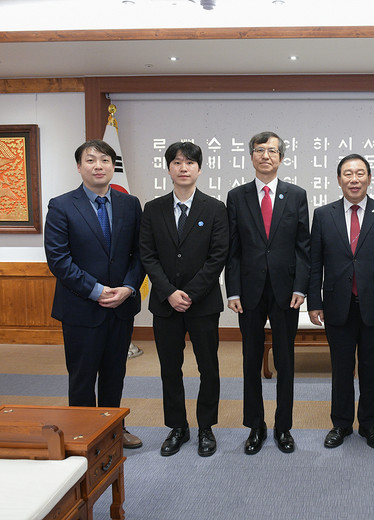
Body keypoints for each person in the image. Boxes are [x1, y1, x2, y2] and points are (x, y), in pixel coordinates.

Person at [44, 139, 145, 449]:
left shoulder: (130, 204)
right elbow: (58, 259)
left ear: (113, 166)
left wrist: (128, 288)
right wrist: (96, 290)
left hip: (121, 306)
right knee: (82, 377)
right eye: (90, 160)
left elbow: (141, 254)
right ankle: (83, 435)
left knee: (115, 375)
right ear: (79, 167)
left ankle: (114, 429)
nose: (98, 166)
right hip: (80, 308)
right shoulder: (61, 205)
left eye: (104, 160)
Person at [308, 154, 374, 450]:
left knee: (372, 369)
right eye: (348, 174)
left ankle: (370, 425)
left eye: (360, 173)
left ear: (369, 178)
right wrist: (314, 302)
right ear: (339, 179)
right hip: (337, 303)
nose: (354, 179)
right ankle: (341, 424)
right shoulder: (323, 215)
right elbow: (315, 263)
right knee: (341, 368)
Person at [139, 142, 228, 457]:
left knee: (209, 368)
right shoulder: (153, 209)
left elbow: (218, 256)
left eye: (190, 162)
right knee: (169, 368)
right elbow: (147, 255)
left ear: (199, 169)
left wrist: (190, 293)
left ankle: (206, 427)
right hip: (165, 304)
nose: (183, 168)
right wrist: (169, 292)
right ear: (169, 169)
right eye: (177, 162)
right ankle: (178, 427)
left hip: (203, 304)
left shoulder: (215, 208)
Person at [225, 131, 310, 455]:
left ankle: (283, 426)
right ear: (251, 157)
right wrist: (232, 290)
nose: (265, 156)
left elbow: (303, 247)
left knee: (285, 360)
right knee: (250, 360)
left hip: (286, 292)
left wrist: (301, 286)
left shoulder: (296, 195)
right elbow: (233, 250)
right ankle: (255, 426)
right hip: (248, 292)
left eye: (272, 151)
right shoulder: (237, 196)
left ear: (281, 158)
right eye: (259, 150)